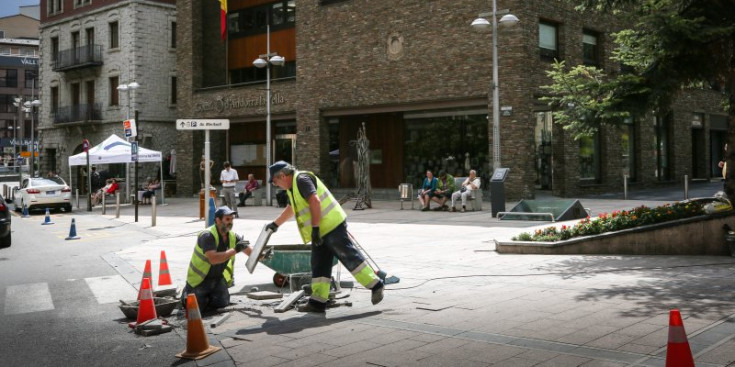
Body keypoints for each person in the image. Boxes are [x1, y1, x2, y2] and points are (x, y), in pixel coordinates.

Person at [266, 160, 384, 313]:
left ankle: (376, 284)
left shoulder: (301, 180)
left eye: (275, 181)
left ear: (282, 175)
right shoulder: (293, 187)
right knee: (319, 264)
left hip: (331, 225)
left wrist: (315, 228)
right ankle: (318, 302)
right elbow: (291, 208)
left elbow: (315, 201)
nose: (275, 185)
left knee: (347, 255)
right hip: (321, 230)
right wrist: (275, 224)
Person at [180, 206, 252, 311]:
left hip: (217, 279)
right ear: (218, 220)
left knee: (222, 303)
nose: (230, 222)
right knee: (195, 308)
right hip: (199, 280)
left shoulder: (232, 236)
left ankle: (209, 297)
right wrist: (235, 250)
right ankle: (187, 293)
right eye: (227, 219)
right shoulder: (207, 235)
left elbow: (250, 252)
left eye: (232, 219)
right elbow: (213, 259)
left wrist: (262, 255)